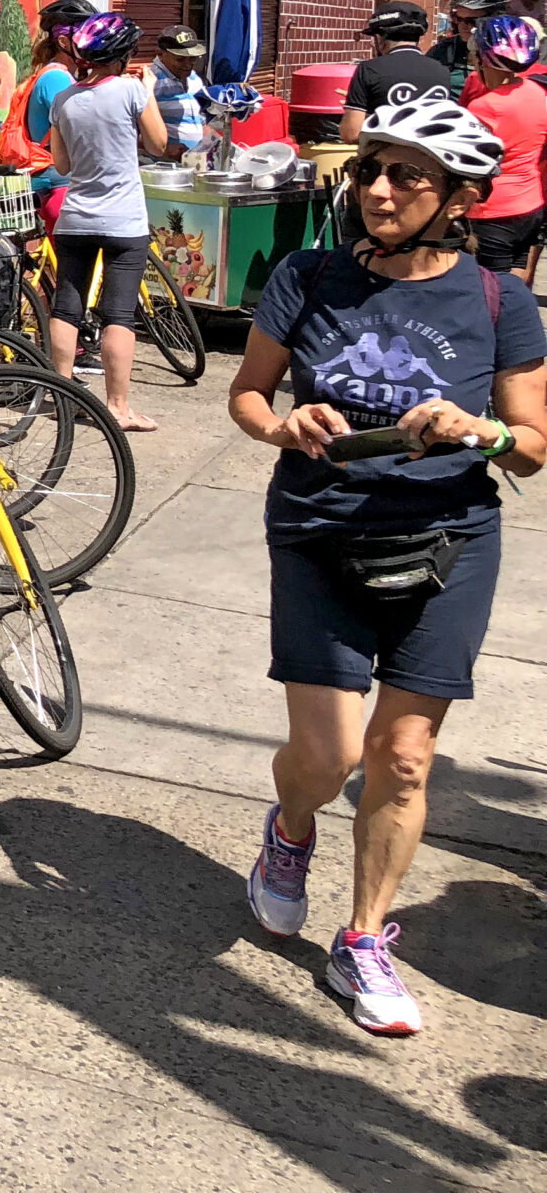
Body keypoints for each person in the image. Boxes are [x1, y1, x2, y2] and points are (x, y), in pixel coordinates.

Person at [228, 97, 546, 1036]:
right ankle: (289, 834)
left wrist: (478, 428)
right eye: (371, 169)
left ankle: (362, 940)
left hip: (448, 540)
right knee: (327, 759)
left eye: (407, 175)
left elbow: (532, 444)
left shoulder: (501, 300)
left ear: (459, 196)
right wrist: (283, 423)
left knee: (403, 759)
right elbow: (247, 396)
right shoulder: (308, 275)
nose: (378, 190)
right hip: (320, 530)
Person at [43, 12, 168, 431]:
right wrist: (148, 92)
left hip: (74, 217)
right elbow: (159, 142)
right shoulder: (132, 90)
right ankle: (117, 407)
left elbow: (61, 162)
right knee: (118, 315)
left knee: (66, 308)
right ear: (121, 56)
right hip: (123, 222)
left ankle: (63, 397)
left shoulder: (63, 100)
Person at [463, 15, 547, 276]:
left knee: (489, 288)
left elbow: (466, 160)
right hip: (530, 202)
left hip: (492, 210)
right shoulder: (538, 92)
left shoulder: (484, 106)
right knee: (516, 279)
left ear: (482, 58)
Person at [0, 0, 97, 190]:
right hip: (54, 181)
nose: (93, 44)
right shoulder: (56, 78)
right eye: (86, 37)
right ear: (63, 41)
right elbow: (82, 128)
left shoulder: (64, 75)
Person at [338, 1, 451, 144]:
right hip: (432, 160)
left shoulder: (369, 69)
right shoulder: (442, 70)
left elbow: (351, 133)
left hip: (386, 160)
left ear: (380, 38)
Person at [430, 0, 511, 88]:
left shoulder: (510, 52)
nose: (463, 26)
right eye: (458, 19)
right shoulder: (444, 49)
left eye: (472, 21)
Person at [148, 24, 208, 163]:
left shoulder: (193, 78)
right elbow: (135, 130)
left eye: (192, 58)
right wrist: (167, 148)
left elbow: (199, 118)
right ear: (161, 54)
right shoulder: (151, 82)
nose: (188, 64)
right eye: (180, 59)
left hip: (195, 159)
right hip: (164, 164)